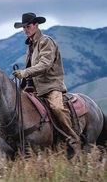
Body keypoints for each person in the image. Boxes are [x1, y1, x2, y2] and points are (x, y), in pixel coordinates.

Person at [13, 12, 80, 155]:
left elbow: (45, 64)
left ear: (36, 25)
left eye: (28, 26)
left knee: (56, 108)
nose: (25, 29)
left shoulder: (46, 41)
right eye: (23, 27)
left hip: (50, 86)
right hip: (34, 88)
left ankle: (73, 139)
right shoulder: (30, 45)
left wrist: (25, 72)